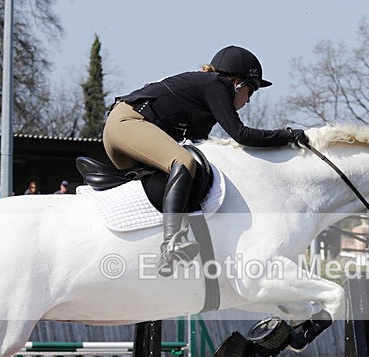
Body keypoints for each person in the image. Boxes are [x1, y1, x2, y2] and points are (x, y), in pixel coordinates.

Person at [103, 45, 309, 276]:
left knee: (186, 173)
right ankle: (172, 243)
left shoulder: (205, 97)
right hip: (128, 123)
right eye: (251, 91)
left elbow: (201, 143)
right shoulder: (217, 85)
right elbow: (241, 135)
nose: (249, 100)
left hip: (128, 128)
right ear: (237, 83)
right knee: (184, 163)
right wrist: (287, 136)